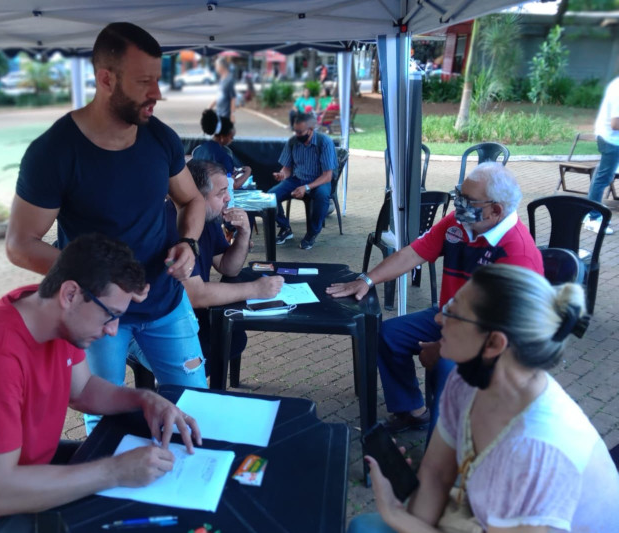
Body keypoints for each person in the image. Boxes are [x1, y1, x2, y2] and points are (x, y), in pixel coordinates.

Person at [0, 233, 203, 533]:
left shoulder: (51, 314)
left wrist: (145, 399)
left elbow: (82, 390)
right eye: (110, 315)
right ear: (70, 294)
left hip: (29, 472)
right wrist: (115, 471)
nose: (112, 331)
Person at [6, 22, 208, 393]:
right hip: (94, 314)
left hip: (166, 306)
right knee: (104, 417)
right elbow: (20, 244)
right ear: (106, 79)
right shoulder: (53, 153)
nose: (157, 94)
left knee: (196, 403)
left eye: (157, 80)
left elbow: (192, 199)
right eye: (143, 82)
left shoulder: (160, 138)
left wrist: (190, 243)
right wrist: (100, 281)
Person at [348, 263, 619, 533]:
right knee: (364, 527)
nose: (439, 319)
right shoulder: (464, 381)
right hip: (486, 518)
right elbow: (436, 475)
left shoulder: (537, 450)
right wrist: (408, 518)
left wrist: (396, 515)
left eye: (453, 313)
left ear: (493, 344)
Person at [327, 163, 543, 435]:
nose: (458, 204)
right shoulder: (460, 222)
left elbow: (504, 331)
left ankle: (437, 457)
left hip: (491, 339)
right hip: (449, 317)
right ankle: (413, 411)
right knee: (387, 334)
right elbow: (413, 253)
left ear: (496, 210)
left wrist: (442, 348)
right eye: (458, 196)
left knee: (445, 368)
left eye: (467, 200)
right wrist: (366, 280)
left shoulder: (518, 253)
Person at [133, 159, 284, 371]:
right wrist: (256, 289)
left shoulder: (207, 219)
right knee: (214, 347)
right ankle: (177, 390)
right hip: (151, 325)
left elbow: (227, 266)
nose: (228, 198)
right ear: (195, 196)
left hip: (184, 316)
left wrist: (244, 234)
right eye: (221, 192)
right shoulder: (168, 224)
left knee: (233, 337)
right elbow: (195, 295)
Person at [270, 112, 338, 250]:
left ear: (311, 129)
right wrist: (282, 174)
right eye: (295, 131)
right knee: (270, 196)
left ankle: (312, 233)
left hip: (319, 181)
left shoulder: (324, 142)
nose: (297, 134)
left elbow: (327, 176)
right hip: (297, 179)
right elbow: (287, 168)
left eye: (300, 132)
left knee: (322, 196)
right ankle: (285, 228)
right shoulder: (293, 141)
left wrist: (306, 187)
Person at [584, 75, 619, 235]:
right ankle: (593, 218)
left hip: (609, 139)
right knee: (602, 179)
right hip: (611, 140)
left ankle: (591, 212)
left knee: (602, 176)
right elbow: (615, 123)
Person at [192, 108, 252, 189]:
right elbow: (233, 185)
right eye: (231, 137)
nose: (232, 140)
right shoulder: (223, 156)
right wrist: (248, 171)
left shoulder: (198, 150)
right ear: (222, 137)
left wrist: (230, 171)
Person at [210, 56, 236, 123]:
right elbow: (219, 96)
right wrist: (210, 107)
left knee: (224, 133)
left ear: (221, 66)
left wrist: (232, 114)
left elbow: (233, 98)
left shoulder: (229, 80)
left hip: (226, 116)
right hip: (219, 114)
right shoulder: (221, 79)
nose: (215, 68)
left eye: (216, 66)